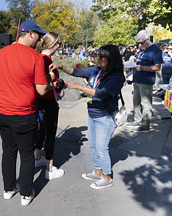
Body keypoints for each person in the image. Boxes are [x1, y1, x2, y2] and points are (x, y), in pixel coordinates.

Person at [0, 20, 51, 206]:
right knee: (27, 154)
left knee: (8, 151)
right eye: (38, 35)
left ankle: (8, 189)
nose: (39, 39)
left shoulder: (0, 53)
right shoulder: (35, 57)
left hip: (2, 113)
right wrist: (51, 83)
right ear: (30, 33)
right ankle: (26, 194)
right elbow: (41, 90)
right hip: (24, 115)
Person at [50, 45, 125, 189]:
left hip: (105, 117)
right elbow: (78, 72)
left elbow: (102, 93)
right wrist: (60, 66)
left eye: (101, 57)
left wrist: (79, 87)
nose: (98, 58)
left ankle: (107, 177)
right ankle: (98, 171)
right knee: (93, 146)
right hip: (93, 114)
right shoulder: (97, 70)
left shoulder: (116, 76)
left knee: (101, 148)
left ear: (109, 59)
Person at [34, 32, 65, 180]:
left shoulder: (38, 58)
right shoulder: (45, 60)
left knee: (42, 129)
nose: (60, 46)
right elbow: (47, 83)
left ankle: (38, 157)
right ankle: (50, 169)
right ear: (53, 44)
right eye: (59, 43)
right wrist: (58, 84)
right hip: (48, 99)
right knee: (50, 133)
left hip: (39, 99)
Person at [130, 30, 163, 132]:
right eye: (138, 43)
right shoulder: (142, 49)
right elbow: (140, 58)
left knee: (145, 103)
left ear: (148, 39)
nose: (140, 44)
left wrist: (143, 68)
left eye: (142, 42)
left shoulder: (155, 50)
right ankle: (137, 121)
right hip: (136, 79)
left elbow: (157, 67)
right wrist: (134, 59)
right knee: (136, 102)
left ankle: (145, 125)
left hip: (146, 80)